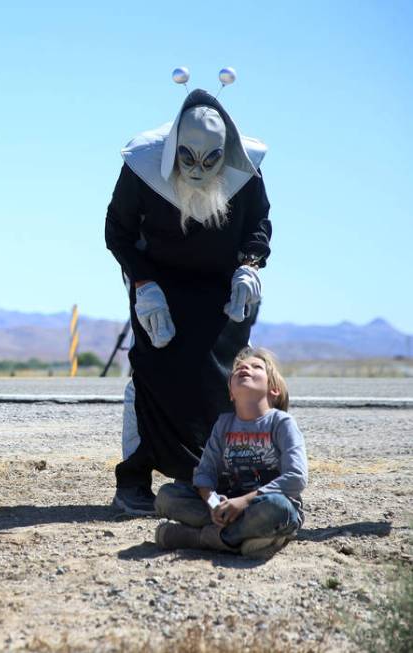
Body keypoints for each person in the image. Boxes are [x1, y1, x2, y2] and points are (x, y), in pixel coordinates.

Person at [105, 75, 271, 515]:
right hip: (157, 283)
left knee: (222, 380)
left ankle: (212, 476)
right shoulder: (141, 166)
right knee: (153, 371)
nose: (197, 169)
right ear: (173, 148)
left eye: (209, 160)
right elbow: (117, 231)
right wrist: (143, 284)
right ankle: (134, 479)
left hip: (221, 285)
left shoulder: (247, 169)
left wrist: (249, 268)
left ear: (226, 155)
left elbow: (258, 224)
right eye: (187, 158)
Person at [153, 348, 307, 558]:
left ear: (274, 389)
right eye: (238, 369)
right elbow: (204, 474)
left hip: (264, 506)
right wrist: (213, 503)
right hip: (228, 507)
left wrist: (243, 502)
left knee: (278, 508)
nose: (245, 367)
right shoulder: (223, 424)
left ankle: (200, 539)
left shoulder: (281, 423)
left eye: (256, 367)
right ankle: (245, 538)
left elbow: (296, 478)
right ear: (231, 393)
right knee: (168, 496)